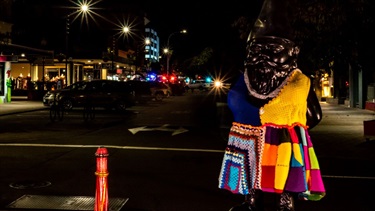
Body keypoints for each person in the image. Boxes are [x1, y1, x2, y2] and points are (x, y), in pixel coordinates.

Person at [218, 0, 325, 210]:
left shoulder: (299, 81)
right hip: (245, 141)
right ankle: (251, 202)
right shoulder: (243, 78)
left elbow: (314, 116)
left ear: (293, 52)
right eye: (256, 49)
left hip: (281, 143)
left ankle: (284, 204)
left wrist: (288, 130)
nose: (262, 55)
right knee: (248, 178)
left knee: (282, 180)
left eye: (272, 49)